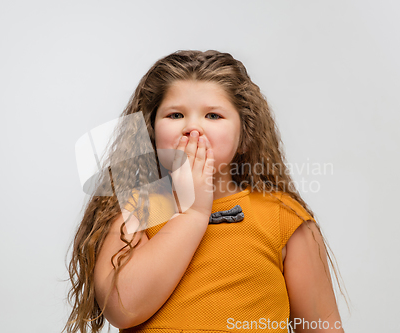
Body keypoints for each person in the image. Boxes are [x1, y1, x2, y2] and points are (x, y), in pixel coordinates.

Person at [63, 50, 349, 333]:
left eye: (213, 115)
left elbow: (320, 327)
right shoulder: (136, 209)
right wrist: (193, 213)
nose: (193, 128)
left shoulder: (283, 217)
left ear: (245, 135)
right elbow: (123, 309)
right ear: (151, 134)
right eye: (175, 115)